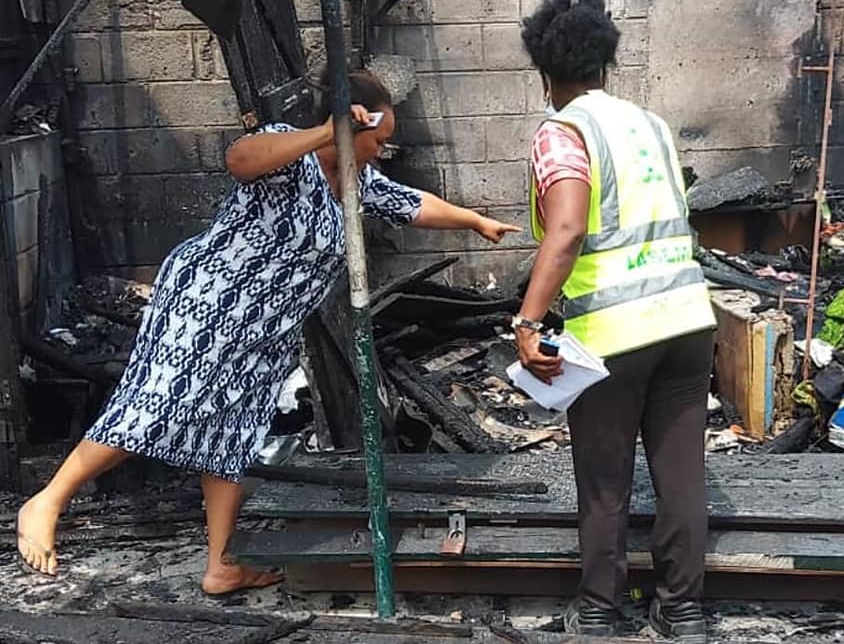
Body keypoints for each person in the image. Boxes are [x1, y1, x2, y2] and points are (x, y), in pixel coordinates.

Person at [17, 70, 521, 595]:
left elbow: (411, 204)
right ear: (354, 125)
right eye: (379, 138)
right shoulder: (291, 153)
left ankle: (221, 565)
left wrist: (474, 220)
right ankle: (48, 499)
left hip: (264, 331)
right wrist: (326, 134)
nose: (382, 150)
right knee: (159, 404)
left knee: (231, 436)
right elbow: (240, 159)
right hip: (209, 306)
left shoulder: (355, 181)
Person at [513, 0, 717, 642]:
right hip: (687, 322)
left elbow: (567, 228)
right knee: (681, 471)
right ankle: (682, 610)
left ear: (547, 76)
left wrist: (528, 320)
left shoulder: (562, 132)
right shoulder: (651, 125)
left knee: (604, 480)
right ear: (606, 63)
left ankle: (600, 609)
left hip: (614, 334)